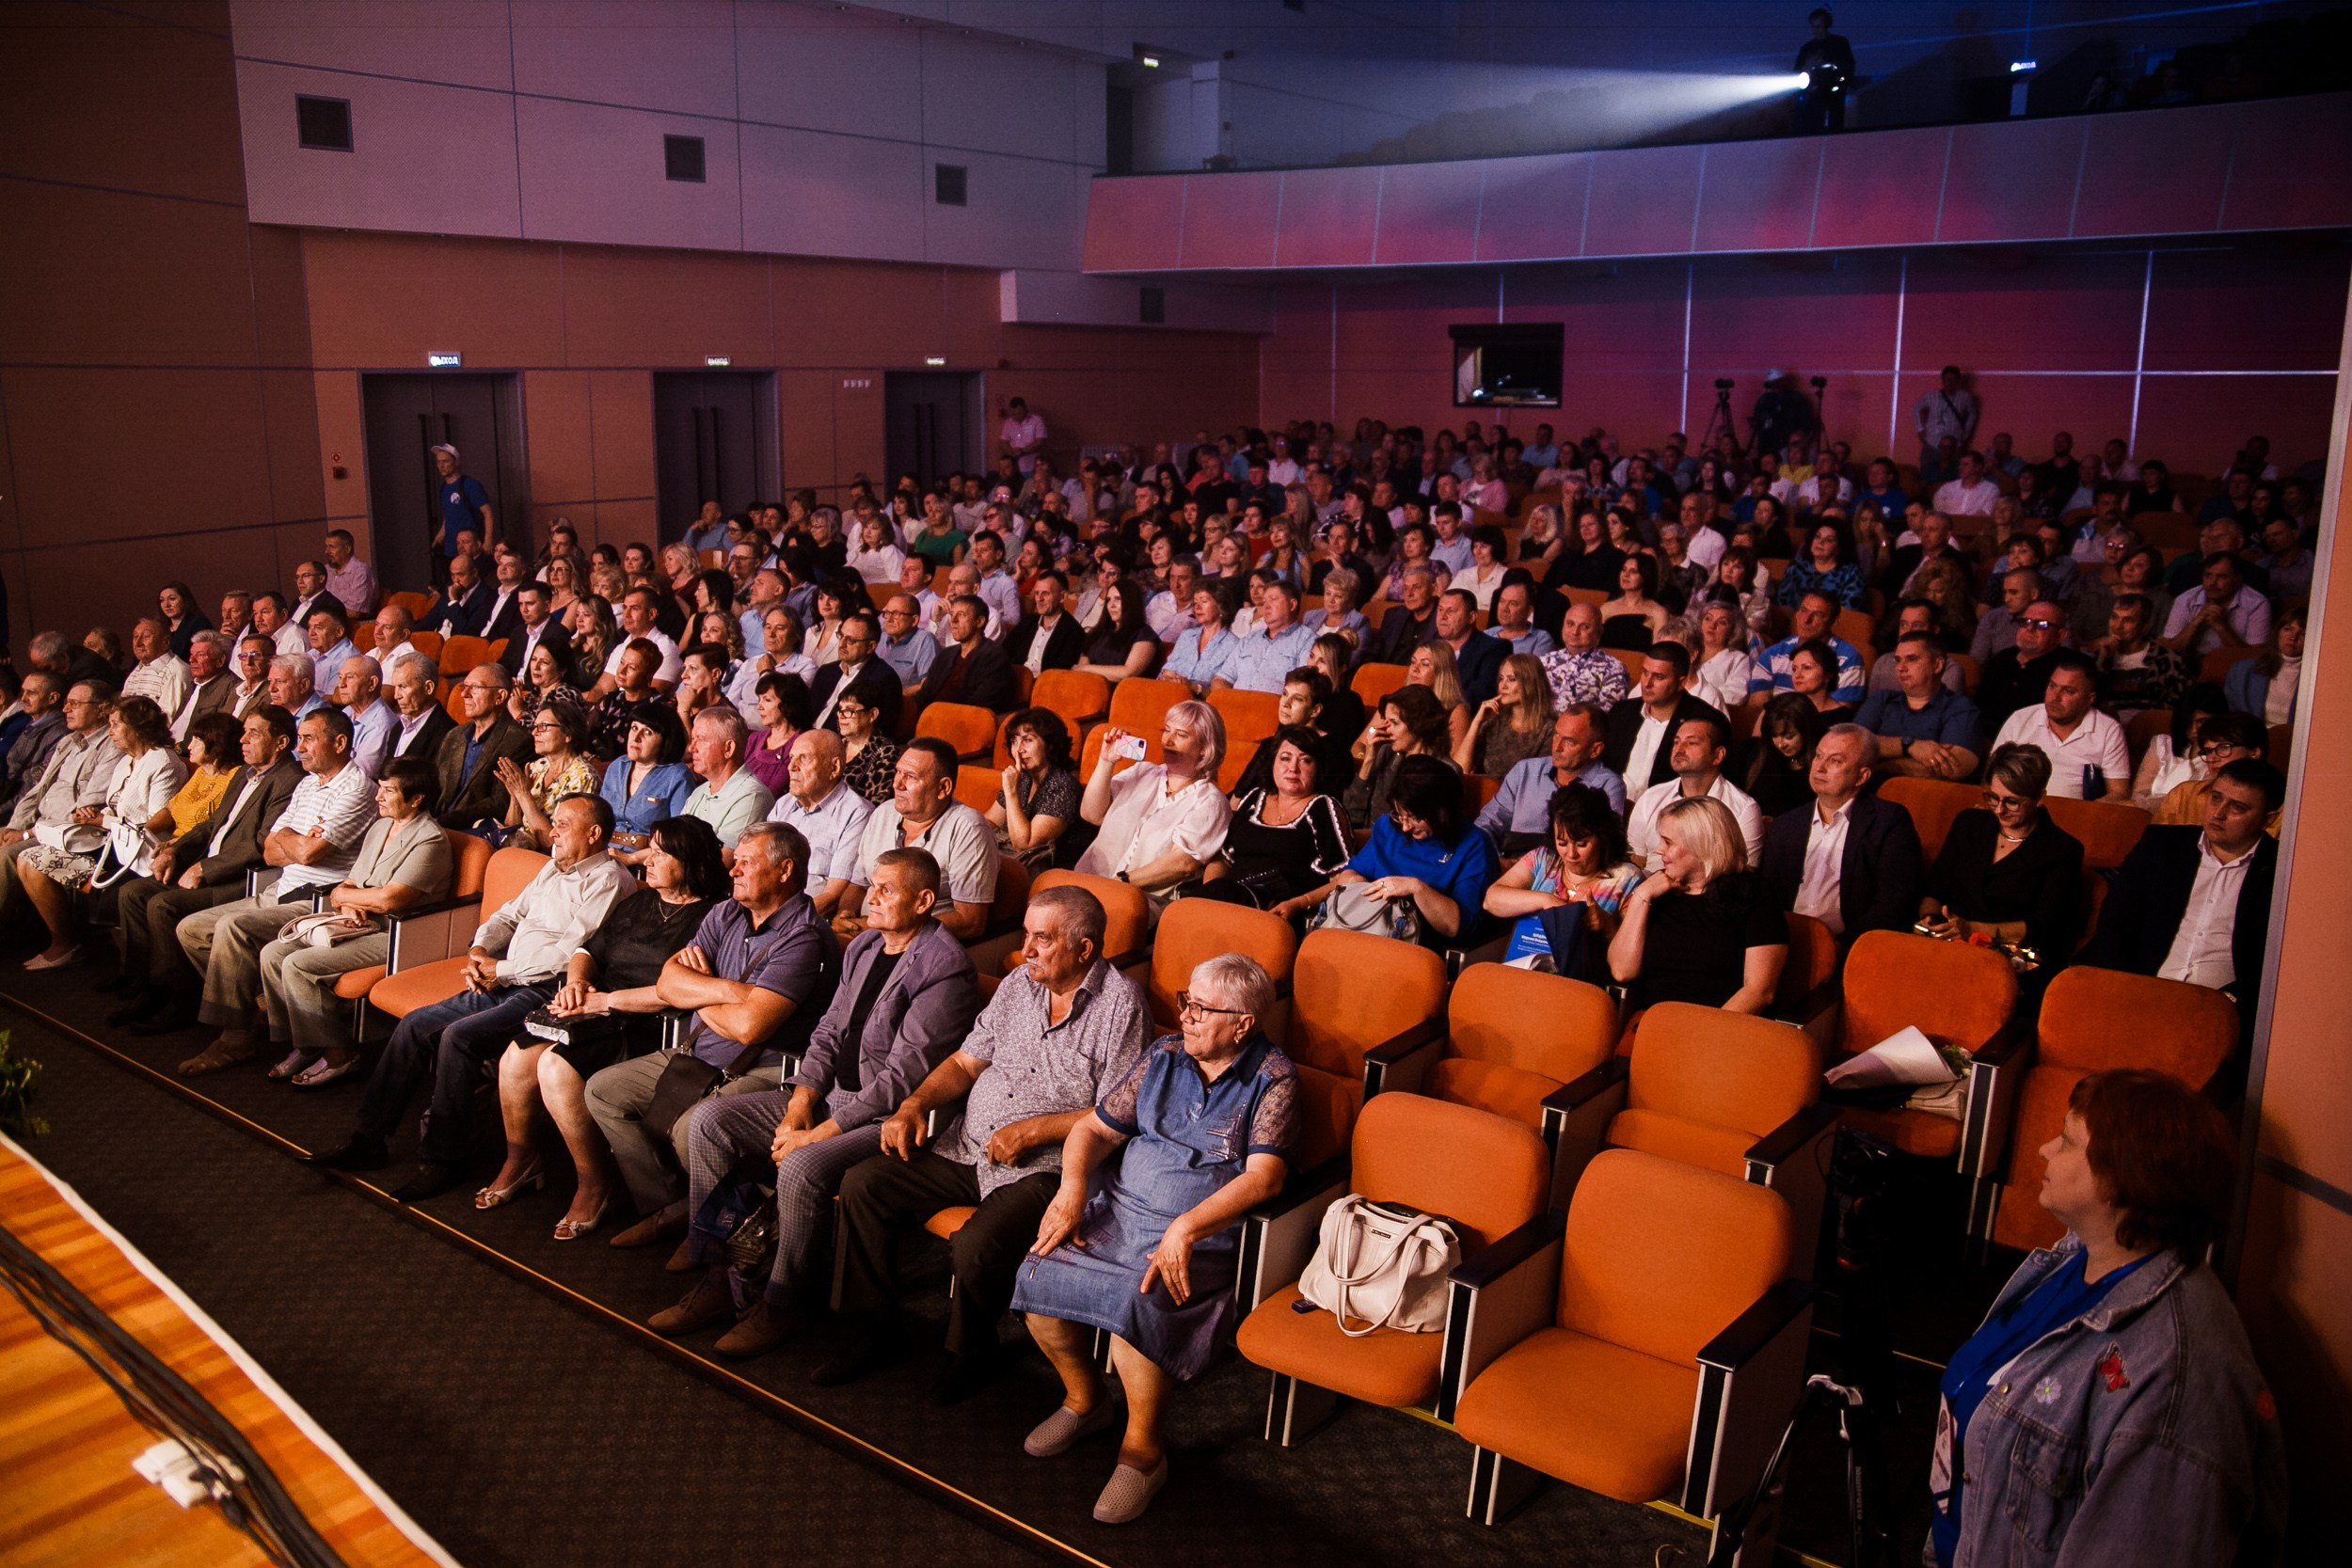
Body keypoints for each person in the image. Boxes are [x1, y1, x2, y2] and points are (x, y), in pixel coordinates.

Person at [1926, 1069, 2284, 1568]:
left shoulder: (2179, 1383)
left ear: (2123, 1180)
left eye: (2068, 1141)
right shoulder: (2080, 1259)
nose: (2045, 1149)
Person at [823, 885, 1152, 1401]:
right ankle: (876, 1332)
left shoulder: (1121, 1005)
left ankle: (971, 1352)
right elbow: (964, 1062)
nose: (1028, 949)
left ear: (1084, 949)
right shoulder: (1019, 984)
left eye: (1043, 939)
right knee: (864, 1183)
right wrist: (913, 1105)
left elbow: (1119, 1112)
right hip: (968, 1147)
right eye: (1026, 934)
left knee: (978, 1243)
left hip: (1045, 1167)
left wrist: (1035, 1130)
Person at [652, 847, 980, 1358]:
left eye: (885, 890)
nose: (869, 897)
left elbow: (901, 1081)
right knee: (710, 1121)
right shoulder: (865, 946)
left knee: (802, 1165)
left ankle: (783, 1301)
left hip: (889, 1118)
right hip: (830, 1097)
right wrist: (801, 1102)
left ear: (923, 901)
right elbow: (827, 1033)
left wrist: (817, 1132)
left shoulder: (945, 969)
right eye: (871, 884)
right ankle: (724, 1275)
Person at [1011, 953, 1295, 1525]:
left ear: (1242, 1023)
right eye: (1185, 1002)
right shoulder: (1163, 1054)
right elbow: (1094, 1127)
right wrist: (1070, 1192)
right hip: (1119, 1212)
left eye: (1201, 1008)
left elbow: (1265, 1177)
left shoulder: (1274, 1079)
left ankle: (1143, 1452)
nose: (1185, 1016)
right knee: (1036, 1274)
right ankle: (1084, 1401)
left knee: (1133, 1309)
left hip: (1199, 1235)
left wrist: (1185, 1227)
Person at [310, 794, 634, 1200]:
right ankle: (368, 1139)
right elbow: (508, 915)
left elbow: (570, 953)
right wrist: (480, 951)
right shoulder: (554, 867)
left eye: (563, 825)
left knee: (459, 1037)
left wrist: (500, 971)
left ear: (594, 833)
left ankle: (444, 1159)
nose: (552, 831)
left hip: (549, 990)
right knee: (414, 1026)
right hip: (505, 975)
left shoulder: (608, 881)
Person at [591, 822, 844, 1252]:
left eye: (748, 863)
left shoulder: (803, 936)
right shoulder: (726, 911)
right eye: (736, 861)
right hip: (700, 1050)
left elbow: (751, 1028)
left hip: (767, 1067)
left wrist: (695, 995)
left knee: (695, 1129)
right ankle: (674, 1209)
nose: (734, 870)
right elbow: (668, 980)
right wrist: (733, 992)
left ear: (784, 871)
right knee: (603, 1091)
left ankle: (720, 1238)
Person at [486, 816, 729, 1238]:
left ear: (689, 862)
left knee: (554, 1069)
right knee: (515, 1059)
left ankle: (594, 1182)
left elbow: (678, 992)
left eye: (660, 853)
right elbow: (587, 950)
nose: (647, 859)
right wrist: (577, 983)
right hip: (595, 1005)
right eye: (649, 848)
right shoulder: (639, 900)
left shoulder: (711, 918)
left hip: (647, 1020)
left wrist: (604, 1001)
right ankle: (521, 1158)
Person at [168, 708, 381, 1065]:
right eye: (299, 739)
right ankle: (256, 1004)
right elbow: (270, 848)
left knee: (231, 927)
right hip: (281, 888)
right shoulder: (306, 784)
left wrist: (294, 842)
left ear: (341, 743)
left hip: (319, 898)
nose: (300, 748)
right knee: (191, 929)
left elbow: (310, 854)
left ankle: (234, 1038)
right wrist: (293, 839)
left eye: (309, 739)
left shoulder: (358, 788)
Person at [253, 757, 455, 1087]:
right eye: (379, 788)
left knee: (298, 965)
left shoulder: (430, 840)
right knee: (273, 953)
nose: (378, 797)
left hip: (398, 934)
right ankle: (306, 1043)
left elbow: (391, 900)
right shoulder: (380, 827)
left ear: (416, 798)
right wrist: (346, 903)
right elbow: (347, 885)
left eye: (388, 791)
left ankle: (339, 1055)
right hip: (357, 921)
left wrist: (348, 899)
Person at [106, 706, 302, 1023]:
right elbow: (211, 825)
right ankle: (143, 983)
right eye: (244, 732)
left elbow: (261, 844)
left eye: (254, 733)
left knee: (163, 905)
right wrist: (176, 851)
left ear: (280, 742)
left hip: (239, 878)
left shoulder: (289, 780)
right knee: (132, 892)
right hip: (205, 862)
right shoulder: (243, 774)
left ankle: (178, 998)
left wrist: (204, 870)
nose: (243, 739)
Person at [2088, 759, 2284, 1049]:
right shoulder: (2161, 845)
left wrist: (2227, 1005)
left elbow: (2273, 966)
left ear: (2268, 819)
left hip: (2219, 1013)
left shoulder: (2282, 871)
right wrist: (2128, 988)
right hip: (2140, 990)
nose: (2218, 813)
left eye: (2237, 808)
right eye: (2215, 798)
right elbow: (2115, 924)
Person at [15, 695, 185, 971]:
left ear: (138, 726)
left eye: (116, 725)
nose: (110, 732)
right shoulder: (125, 762)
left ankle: (83, 936)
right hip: (111, 845)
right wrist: (96, 817)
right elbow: (112, 809)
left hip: (139, 856)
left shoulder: (163, 762)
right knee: (28, 857)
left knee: (37, 861)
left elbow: (159, 822)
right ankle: (65, 941)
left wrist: (102, 822)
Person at [1609, 796, 1786, 1012]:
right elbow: (1621, 971)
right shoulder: (1658, 891)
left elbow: (1759, 991)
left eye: (1668, 842)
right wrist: (1641, 898)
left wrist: (1702, 1032)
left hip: (1722, 1029)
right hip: (1657, 1026)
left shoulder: (1756, 894)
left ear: (1700, 845)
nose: (1658, 850)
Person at [1919, 743, 2086, 963]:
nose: (1999, 809)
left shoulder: (2062, 850)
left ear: (2039, 798)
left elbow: (2044, 925)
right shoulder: (1969, 824)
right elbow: (1935, 888)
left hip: (2016, 956)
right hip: (1949, 943)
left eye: (2012, 802)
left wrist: (1972, 930)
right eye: (1993, 798)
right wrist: (1930, 921)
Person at [1759, 722, 1923, 946]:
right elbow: (1768, 896)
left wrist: (1840, 946)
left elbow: (1893, 903)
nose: (1819, 768)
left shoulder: (1889, 822)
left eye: (1835, 761)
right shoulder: (1786, 825)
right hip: (1785, 943)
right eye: (1818, 756)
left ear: (1862, 776)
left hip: (1852, 948)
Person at [1323, 756, 1499, 950]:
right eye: (1400, 814)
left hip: (1419, 946)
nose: (1405, 827)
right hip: (1369, 928)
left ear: (1442, 812)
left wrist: (1415, 888)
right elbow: (1349, 874)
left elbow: (1456, 926)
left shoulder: (1474, 844)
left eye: (1414, 818)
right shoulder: (1389, 826)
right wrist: (1365, 888)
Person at [1073, 702, 1230, 913]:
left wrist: (1120, 883)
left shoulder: (1210, 801)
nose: (1168, 740)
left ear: (1204, 748)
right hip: (1090, 884)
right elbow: (1091, 814)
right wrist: (1106, 762)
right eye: (1167, 730)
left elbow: (1182, 864)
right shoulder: (1142, 772)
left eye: (1181, 735)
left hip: (1141, 903)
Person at [840, 737, 997, 942]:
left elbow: (970, 922)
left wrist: (890, 928)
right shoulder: (883, 813)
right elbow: (858, 885)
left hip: (918, 947)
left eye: (911, 777)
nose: (897, 784)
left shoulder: (969, 829)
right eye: (898, 772)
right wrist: (844, 916)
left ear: (943, 788)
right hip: (863, 933)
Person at [1190, 725, 1349, 921]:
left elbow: (1345, 878)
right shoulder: (1254, 798)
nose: (1293, 768)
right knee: (1196, 904)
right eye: (1285, 758)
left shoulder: (1323, 808)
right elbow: (1222, 860)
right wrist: (1209, 896)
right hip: (1227, 898)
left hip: (1280, 910)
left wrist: (1299, 903)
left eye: (1305, 761)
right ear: (1272, 762)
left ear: (1318, 768)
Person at [1484, 783, 1642, 968]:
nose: (1571, 854)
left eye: (1581, 844)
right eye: (1562, 842)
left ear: (1603, 838)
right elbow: (1491, 900)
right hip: (1524, 971)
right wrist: (1547, 901)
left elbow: (1628, 961)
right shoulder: (1543, 860)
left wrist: (1607, 925)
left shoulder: (1626, 879)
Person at [1476, 704, 1626, 858]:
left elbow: (1603, 847)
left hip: (1565, 873)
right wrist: (1495, 861)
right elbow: (1486, 825)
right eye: (1556, 735)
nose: (1557, 747)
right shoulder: (1525, 771)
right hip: (1508, 867)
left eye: (1569, 741)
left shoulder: (1607, 786)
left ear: (1595, 750)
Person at [1629, 710, 1767, 872]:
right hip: (1649, 889)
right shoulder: (1651, 798)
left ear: (1718, 755)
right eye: (1676, 742)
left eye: (1691, 743)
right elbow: (1635, 862)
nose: (1679, 749)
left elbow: (1745, 875)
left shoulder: (1744, 809)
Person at [1991, 652, 2131, 801]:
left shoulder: (2108, 730)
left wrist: (2089, 814)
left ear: (2089, 699)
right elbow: (1991, 777)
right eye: (2052, 686)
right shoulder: (2020, 719)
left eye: (2068, 691)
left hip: (2076, 818)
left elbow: (2119, 793)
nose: (2055, 697)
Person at [1857, 631, 1984, 781]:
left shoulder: (1961, 708)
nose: (1901, 668)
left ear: (1937, 665)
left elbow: (1953, 767)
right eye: (1898, 660)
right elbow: (1851, 744)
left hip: (1927, 797)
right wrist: (1910, 746)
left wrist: (1882, 767)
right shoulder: (1882, 699)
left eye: (1911, 659)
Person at [1605, 641, 1724, 793]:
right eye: (1645, 672)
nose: (1647, 683)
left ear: (1681, 682)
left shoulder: (1705, 721)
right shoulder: (1622, 712)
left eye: (1658, 677)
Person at [491, 697, 597, 850]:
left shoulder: (583, 776)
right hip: (518, 850)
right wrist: (515, 798)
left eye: (543, 726)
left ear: (568, 734)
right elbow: (510, 829)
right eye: (535, 727)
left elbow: (555, 845)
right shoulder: (537, 767)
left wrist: (523, 795)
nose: (534, 732)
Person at [1343, 684, 1452, 832]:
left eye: (1394, 723)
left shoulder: (1446, 770)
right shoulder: (1386, 753)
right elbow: (1351, 813)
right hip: (1370, 840)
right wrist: (1369, 759)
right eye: (1386, 722)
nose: (1387, 730)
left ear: (1418, 725)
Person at [435, 662, 531, 830]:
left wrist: (443, 823)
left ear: (500, 697)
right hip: (435, 826)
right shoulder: (454, 736)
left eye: (475, 688)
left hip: (471, 833)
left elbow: (499, 803)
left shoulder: (518, 741)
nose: (464, 694)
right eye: (463, 687)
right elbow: (434, 785)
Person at [990, 707, 1083, 871]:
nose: (1019, 749)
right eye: (1014, 741)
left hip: (1050, 873)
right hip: (1016, 864)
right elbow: (990, 821)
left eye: (1027, 740)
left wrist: (1011, 793)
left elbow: (1025, 845)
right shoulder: (1023, 777)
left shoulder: (1063, 786)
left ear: (1049, 744)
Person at [680, 705, 775, 851]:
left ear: (728, 748)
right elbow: (674, 842)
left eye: (701, 739)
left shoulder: (752, 796)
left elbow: (723, 862)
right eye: (693, 739)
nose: (691, 748)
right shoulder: (699, 792)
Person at [1751, 589, 1865, 705]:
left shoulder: (1848, 659)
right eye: (1803, 610)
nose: (1806, 620)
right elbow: (1756, 706)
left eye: (1817, 615)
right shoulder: (1773, 654)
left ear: (1834, 622)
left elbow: (1839, 715)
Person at [1454, 652, 1554, 779]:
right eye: (1501, 678)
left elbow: (1540, 779)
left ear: (1531, 684)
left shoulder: (1549, 729)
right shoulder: (1493, 722)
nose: (1503, 685)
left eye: (1511, 679)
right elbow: (1460, 769)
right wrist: (1477, 722)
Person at [2092, 592, 2190, 716]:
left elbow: (2180, 707)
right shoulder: (2097, 659)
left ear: (2145, 626)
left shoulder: (2168, 660)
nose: (2118, 626)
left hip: (2150, 727)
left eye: (2128, 620)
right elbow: (2089, 698)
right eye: (2114, 617)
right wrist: (2104, 660)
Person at [917, 595, 1020, 712]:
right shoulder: (945, 655)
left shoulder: (995, 657)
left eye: (961, 615)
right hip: (929, 718)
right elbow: (924, 695)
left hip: (963, 721)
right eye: (952, 614)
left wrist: (941, 715)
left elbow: (981, 703)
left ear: (979, 621)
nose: (953, 620)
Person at [2161, 552, 2272, 659]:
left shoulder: (2257, 603)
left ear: (2237, 580)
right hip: (2189, 662)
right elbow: (2169, 651)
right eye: (2208, 575)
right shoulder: (2186, 599)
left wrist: (2220, 626)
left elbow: (2253, 657)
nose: (2212, 583)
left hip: (2232, 666)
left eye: (2221, 577)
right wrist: (2196, 622)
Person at [737, 671, 812, 799]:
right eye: (759, 700)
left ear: (787, 704)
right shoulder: (754, 739)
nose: (759, 707)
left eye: (767, 700)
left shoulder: (802, 744)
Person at [2223, 606, 2301, 726]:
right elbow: (2231, 716)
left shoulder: (2317, 680)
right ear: (2278, 633)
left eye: (2302, 633)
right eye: (2287, 629)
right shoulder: (2243, 671)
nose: (2292, 637)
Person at [1791, 7, 1855, 133]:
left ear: (1827, 25)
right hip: (1813, 97)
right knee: (1812, 127)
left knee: (1834, 127)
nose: (1816, 31)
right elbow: (1797, 72)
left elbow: (1848, 66)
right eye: (1813, 27)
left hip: (1834, 95)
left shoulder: (1839, 43)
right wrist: (1808, 66)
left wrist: (1832, 69)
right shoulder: (1807, 48)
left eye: (1819, 26)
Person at [834, 689, 899, 807]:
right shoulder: (836, 745)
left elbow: (876, 803)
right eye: (840, 710)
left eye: (849, 710)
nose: (841, 716)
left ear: (872, 714)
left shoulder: (886, 752)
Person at [1691, 599, 1758, 713]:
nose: (1712, 625)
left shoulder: (1739, 659)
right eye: (1708, 618)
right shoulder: (1688, 651)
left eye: (1722, 622)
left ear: (1732, 631)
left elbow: (1735, 696)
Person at [432, 442, 494, 562]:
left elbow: (488, 512)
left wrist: (488, 540)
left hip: (469, 548)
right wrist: (440, 535)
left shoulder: (469, 485)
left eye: (445, 461)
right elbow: (449, 515)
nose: (441, 466)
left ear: (456, 462)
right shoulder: (444, 488)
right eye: (439, 462)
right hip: (450, 548)